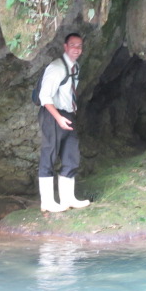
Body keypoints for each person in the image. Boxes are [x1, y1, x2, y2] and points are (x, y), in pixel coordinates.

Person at [37, 33, 90, 212]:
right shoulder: (56, 67)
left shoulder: (76, 67)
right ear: (65, 47)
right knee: (49, 154)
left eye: (79, 46)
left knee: (71, 154)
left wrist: (67, 116)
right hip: (53, 113)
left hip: (68, 113)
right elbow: (44, 97)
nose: (76, 49)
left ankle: (68, 198)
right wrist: (58, 118)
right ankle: (47, 202)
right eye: (73, 45)